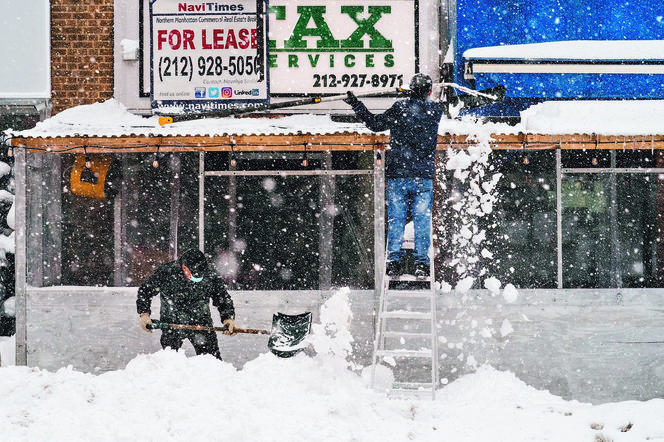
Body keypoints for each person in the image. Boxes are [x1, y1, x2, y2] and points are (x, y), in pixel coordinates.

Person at [344, 73, 445, 278]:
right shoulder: (435, 110)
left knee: (396, 220)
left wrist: (356, 104)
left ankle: (394, 262)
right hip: (422, 177)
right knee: (422, 221)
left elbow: (374, 123)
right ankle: (422, 264)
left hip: (398, 175)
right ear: (429, 91)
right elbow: (437, 104)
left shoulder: (400, 108)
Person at [137, 249, 236, 359]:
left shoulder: (210, 275)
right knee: (168, 363)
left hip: (201, 324)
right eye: (194, 275)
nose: (196, 278)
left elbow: (222, 297)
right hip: (172, 324)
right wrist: (144, 314)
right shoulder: (166, 272)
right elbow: (145, 291)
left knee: (212, 361)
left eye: (200, 276)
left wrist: (228, 318)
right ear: (184, 267)